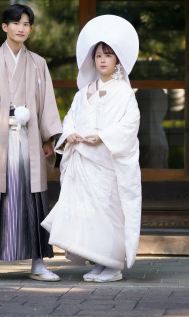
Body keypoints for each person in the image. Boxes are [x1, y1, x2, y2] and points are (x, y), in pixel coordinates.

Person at [0, 3, 62, 283]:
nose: (22, 28)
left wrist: (47, 138)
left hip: (28, 138)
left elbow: (47, 104)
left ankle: (38, 262)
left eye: (27, 24)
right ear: (5, 27)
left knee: (32, 198)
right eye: (17, 23)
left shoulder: (38, 63)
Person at [41, 15, 142, 283]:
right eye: (98, 55)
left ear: (117, 59)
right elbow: (70, 118)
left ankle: (113, 265)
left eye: (108, 55)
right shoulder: (82, 91)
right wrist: (69, 134)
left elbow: (130, 124)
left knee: (108, 212)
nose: (103, 60)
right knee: (88, 214)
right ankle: (98, 262)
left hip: (107, 161)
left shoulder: (124, 92)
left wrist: (103, 137)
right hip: (83, 159)